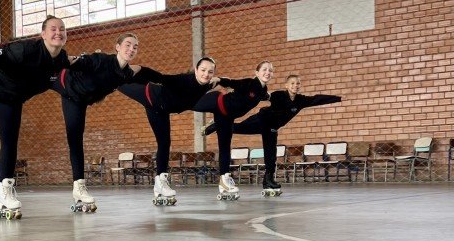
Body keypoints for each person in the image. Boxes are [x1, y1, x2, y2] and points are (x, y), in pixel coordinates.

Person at [0, 15, 69, 219]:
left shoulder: (61, 59)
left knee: (10, 142)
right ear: (43, 34)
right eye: (53, 29)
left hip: (10, 98)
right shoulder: (26, 49)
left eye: (62, 29)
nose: (58, 32)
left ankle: (5, 191)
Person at [52, 33, 160, 211]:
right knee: (31, 80)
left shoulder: (126, 73)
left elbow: (150, 74)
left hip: (77, 100)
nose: (131, 49)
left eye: (135, 46)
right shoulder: (102, 59)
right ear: (117, 47)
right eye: (127, 45)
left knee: (75, 139)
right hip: (63, 81)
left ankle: (79, 187)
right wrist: (79, 58)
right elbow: (79, 62)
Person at [203, 74, 341, 192]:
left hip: (272, 128)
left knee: (271, 153)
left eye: (298, 83)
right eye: (292, 83)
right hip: (261, 120)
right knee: (237, 128)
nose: (295, 85)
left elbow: (317, 99)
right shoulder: (279, 95)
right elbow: (263, 95)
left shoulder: (301, 100)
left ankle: (268, 180)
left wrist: (338, 98)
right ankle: (217, 124)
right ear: (287, 85)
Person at [118, 57, 220, 204]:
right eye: (203, 70)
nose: (206, 74)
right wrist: (138, 68)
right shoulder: (184, 80)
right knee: (117, 82)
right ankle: (103, 65)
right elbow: (160, 78)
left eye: (210, 72)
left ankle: (160, 183)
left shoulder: (207, 85)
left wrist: (227, 85)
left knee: (164, 143)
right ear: (196, 70)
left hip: (159, 111)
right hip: (150, 95)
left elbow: (224, 81)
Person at [192, 61, 273, 199]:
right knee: (187, 102)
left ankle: (224, 179)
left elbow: (266, 96)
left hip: (226, 117)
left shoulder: (263, 91)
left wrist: (273, 97)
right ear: (257, 72)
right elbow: (233, 82)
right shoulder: (249, 83)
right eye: (264, 69)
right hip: (217, 102)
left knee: (225, 147)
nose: (268, 72)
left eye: (271, 70)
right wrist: (219, 80)